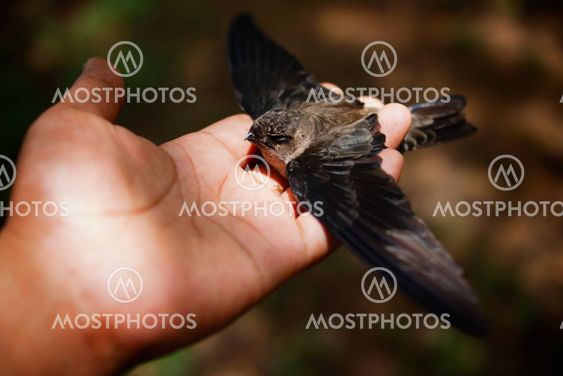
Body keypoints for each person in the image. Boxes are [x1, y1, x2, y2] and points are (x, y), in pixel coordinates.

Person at [0, 58, 411, 374]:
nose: (253, 141)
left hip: (350, 128)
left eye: (273, 139)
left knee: (336, 184)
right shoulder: (274, 130)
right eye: (258, 134)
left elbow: (350, 199)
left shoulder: (310, 163)